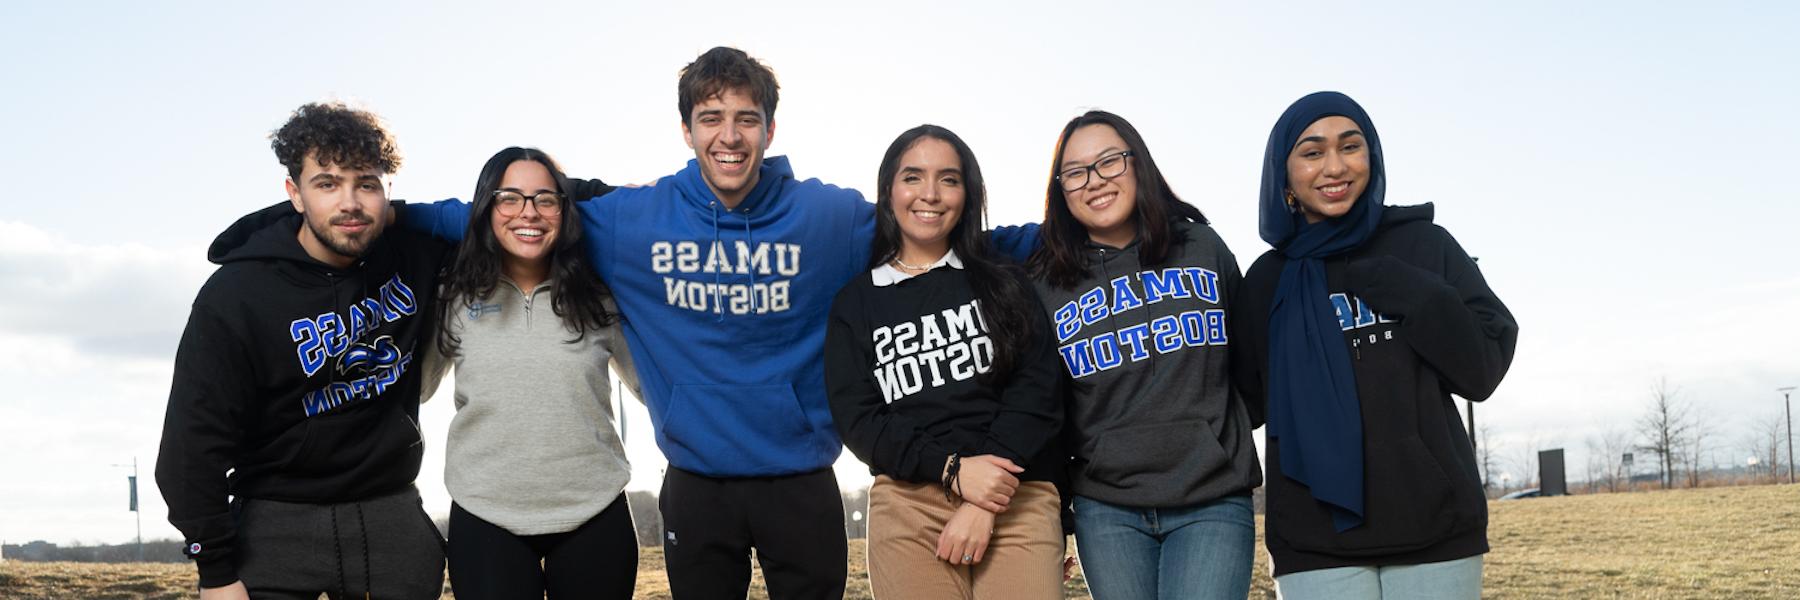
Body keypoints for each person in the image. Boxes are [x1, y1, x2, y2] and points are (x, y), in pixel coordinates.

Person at [402, 47, 1039, 598]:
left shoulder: (828, 217)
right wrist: (374, 218)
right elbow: (501, 217)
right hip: (697, 481)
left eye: (746, 119)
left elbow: (936, 226)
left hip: (801, 476)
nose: (729, 136)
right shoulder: (631, 220)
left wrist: (1073, 236)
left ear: (769, 129)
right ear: (686, 129)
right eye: (711, 118)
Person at [155, 102, 449, 600]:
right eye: (327, 183)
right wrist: (217, 572)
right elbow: (190, 445)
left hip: (390, 515)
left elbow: (510, 212)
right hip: (276, 522)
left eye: (366, 183)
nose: (350, 202)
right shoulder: (237, 293)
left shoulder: (416, 251)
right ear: (295, 193)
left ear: (389, 194)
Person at [1232, 91, 1519, 599]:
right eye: (1313, 152)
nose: (1335, 166)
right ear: (1284, 174)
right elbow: (1240, 404)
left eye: (1351, 146)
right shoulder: (1266, 281)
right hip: (1313, 541)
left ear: (1373, 157)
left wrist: (1418, 293)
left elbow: (1482, 372)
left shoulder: (1425, 247)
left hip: (1436, 530)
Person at [1027, 111, 1261, 599]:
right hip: (1107, 508)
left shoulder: (1201, 247)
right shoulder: (1045, 282)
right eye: (1075, 172)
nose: (1095, 182)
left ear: (1138, 164)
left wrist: (1216, 438)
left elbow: (1250, 362)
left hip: (1212, 496)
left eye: (1109, 161)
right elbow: (1048, 404)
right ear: (1060, 189)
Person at [825, 125, 1065, 599]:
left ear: (968, 193)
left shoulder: (1005, 281)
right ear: (888, 189)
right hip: (909, 498)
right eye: (913, 177)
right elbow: (861, 420)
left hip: (1017, 492)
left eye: (949, 179)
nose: (930, 194)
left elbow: (1038, 390)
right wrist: (953, 470)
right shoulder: (856, 304)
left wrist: (985, 499)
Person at [419, 147, 639, 599]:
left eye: (545, 199)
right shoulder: (451, 295)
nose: (529, 213)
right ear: (486, 208)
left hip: (594, 510)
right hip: (486, 516)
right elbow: (416, 390)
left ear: (563, 209)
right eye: (510, 198)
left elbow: (652, 386)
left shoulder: (600, 295)